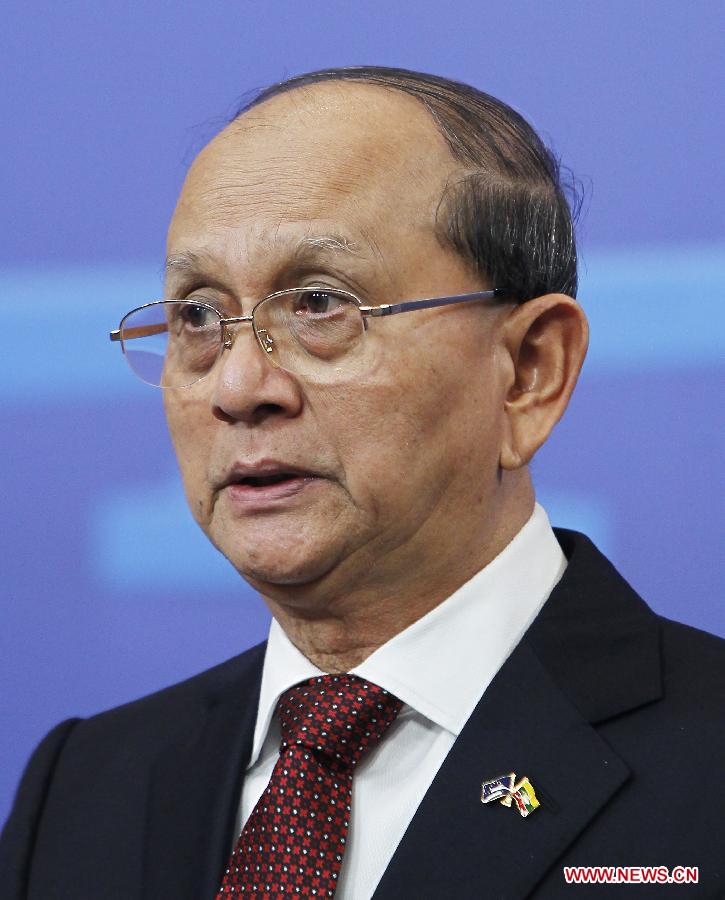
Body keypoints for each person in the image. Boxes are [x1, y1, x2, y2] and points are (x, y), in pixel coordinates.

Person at [1, 67, 723, 899]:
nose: (239, 388)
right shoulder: (85, 788)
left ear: (528, 370)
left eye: (318, 304)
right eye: (198, 315)